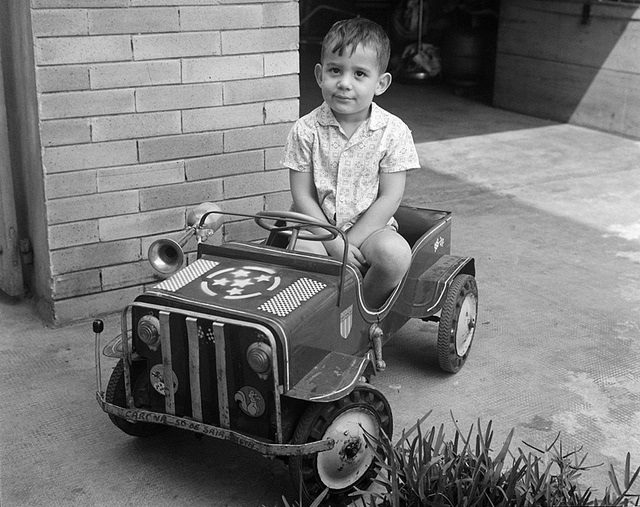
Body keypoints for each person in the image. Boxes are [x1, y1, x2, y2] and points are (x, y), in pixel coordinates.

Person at [282, 17, 421, 309]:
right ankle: (315, 317)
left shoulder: (393, 132)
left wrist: (350, 242)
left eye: (359, 74)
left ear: (380, 83)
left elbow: (390, 196)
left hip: (370, 228)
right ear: (320, 75)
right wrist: (333, 241)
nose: (344, 83)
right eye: (335, 70)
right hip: (316, 226)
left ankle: (360, 311)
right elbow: (302, 196)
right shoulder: (305, 130)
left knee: (395, 256)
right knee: (300, 255)